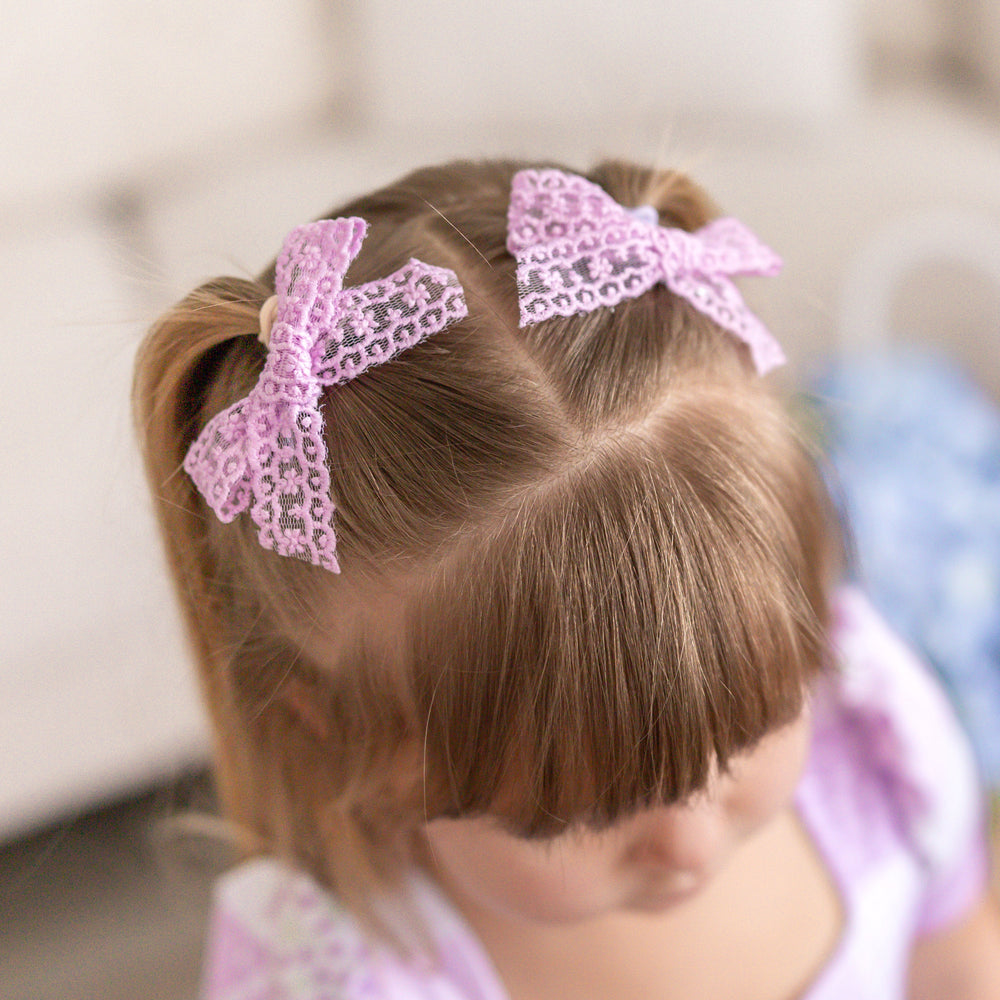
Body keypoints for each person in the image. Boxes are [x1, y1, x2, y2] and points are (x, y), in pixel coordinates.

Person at [134, 160, 1000, 999]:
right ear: (341, 727)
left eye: (746, 736)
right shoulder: (340, 976)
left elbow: (958, 957)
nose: (688, 845)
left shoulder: (880, 738)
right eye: (584, 814)